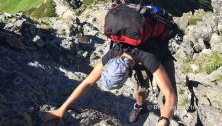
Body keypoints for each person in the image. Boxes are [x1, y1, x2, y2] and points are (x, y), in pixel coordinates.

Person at [42, 36, 177, 125]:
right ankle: (140, 107)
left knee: (167, 94)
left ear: (127, 73)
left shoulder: (149, 58)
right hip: (138, 62)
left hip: (161, 57)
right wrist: (62, 109)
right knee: (140, 89)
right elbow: (87, 82)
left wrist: (163, 120)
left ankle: (164, 113)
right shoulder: (113, 53)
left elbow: (170, 94)